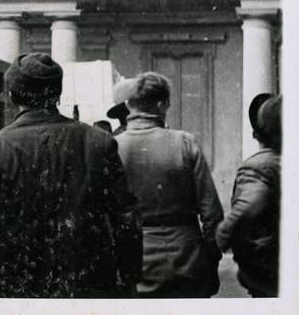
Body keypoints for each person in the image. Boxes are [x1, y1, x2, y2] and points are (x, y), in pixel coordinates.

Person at [0, 53, 142, 298]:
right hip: (88, 285)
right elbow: (126, 217)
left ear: (12, 95)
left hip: (18, 287)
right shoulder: (100, 143)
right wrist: (130, 277)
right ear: (57, 94)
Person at [115, 72, 223, 297]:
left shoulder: (112, 147)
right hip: (186, 261)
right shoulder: (185, 143)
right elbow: (212, 214)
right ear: (163, 105)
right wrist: (210, 259)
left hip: (133, 262)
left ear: (128, 105)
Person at [216, 94, 281, 297]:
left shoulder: (258, 166)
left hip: (268, 272)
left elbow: (247, 207)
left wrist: (221, 238)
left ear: (257, 134)